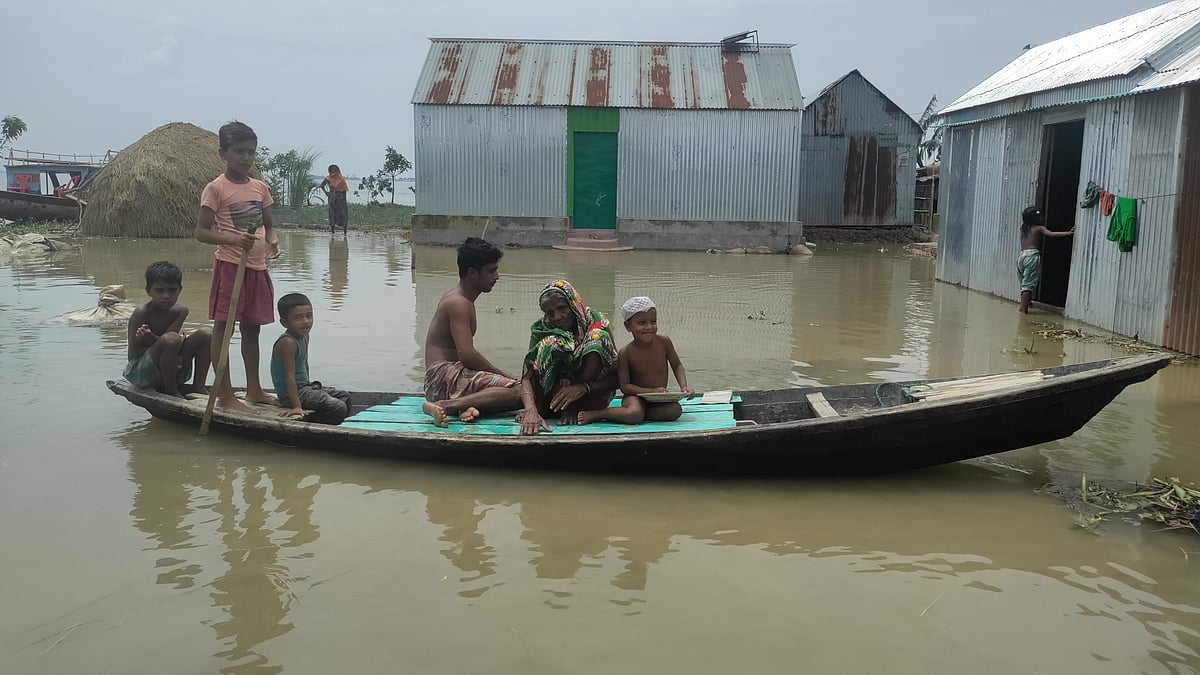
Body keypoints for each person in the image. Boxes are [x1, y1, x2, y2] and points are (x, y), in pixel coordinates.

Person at [195, 120, 281, 413]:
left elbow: (269, 226)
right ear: (224, 154)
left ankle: (254, 390)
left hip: (257, 267)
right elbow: (202, 231)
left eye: (251, 152)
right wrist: (232, 238)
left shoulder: (259, 188)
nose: (246, 158)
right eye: (239, 151)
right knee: (224, 328)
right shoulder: (216, 189)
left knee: (252, 330)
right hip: (231, 266)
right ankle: (226, 395)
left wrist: (273, 240)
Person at [422, 237, 522, 427]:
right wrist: (505, 376)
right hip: (442, 379)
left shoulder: (460, 298)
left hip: (445, 378)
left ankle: (467, 406)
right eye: (491, 271)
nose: (497, 277)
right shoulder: (459, 303)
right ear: (472, 273)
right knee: (518, 391)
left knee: (508, 388)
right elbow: (467, 355)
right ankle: (446, 405)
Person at [517, 280, 619, 436]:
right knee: (551, 344)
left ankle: (574, 406)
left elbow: (619, 376)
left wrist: (582, 388)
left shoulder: (596, 321)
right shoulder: (542, 329)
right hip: (551, 400)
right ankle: (543, 409)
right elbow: (526, 378)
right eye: (550, 312)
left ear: (573, 305)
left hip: (591, 395)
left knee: (597, 337)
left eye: (562, 308)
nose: (557, 317)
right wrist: (530, 410)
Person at [578, 296, 694, 425]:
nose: (649, 327)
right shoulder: (626, 352)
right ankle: (598, 414)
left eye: (653, 321)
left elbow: (677, 365)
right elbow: (625, 387)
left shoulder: (664, 342)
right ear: (628, 326)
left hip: (658, 398)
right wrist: (651, 391)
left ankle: (640, 415)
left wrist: (684, 386)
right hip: (635, 397)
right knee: (634, 411)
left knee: (675, 410)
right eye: (642, 322)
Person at [124, 261, 213, 398]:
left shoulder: (181, 311)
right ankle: (171, 391)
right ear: (149, 291)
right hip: (141, 372)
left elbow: (169, 342)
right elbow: (134, 354)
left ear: (180, 290)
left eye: (172, 290)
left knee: (207, 334)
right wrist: (152, 341)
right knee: (172, 339)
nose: (166, 296)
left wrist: (152, 338)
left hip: (170, 365)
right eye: (159, 291)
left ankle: (198, 387)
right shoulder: (141, 313)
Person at [270, 293, 351, 424]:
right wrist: (296, 406)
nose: (306, 322)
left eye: (309, 316)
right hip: (291, 394)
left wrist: (311, 388)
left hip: (305, 388)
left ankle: (329, 423)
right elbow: (289, 377)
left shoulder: (304, 336)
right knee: (338, 406)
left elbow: (304, 365)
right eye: (298, 318)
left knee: (345, 397)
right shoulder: (288, 343)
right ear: (285, 322)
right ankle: (323, 429)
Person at [1017, 206, 1074, 314]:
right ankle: (1023, 309)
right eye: (1040, 216)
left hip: (1022, 256)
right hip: (1032, 256)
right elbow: (1052, 234)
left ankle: (1026, 302)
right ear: (1035, 219)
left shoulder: (1024, 229)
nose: (1042, 218)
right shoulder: (1039, 228)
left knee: (1024, 281)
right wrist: (1067, 233)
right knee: (1028, 284)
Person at [319, 164, 349, 235]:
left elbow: (344, 189)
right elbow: (322, 185)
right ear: (329, 171)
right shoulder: (328, 178)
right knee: (332, 214)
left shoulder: (341, 179)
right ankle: (332, 231)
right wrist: (326, 193)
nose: (333, 171)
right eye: (332, 170)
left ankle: (345, 231)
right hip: (332, 198)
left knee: (343, 214)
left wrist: (344, 199)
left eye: (335, 169)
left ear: (338, 170)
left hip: (341, 199)